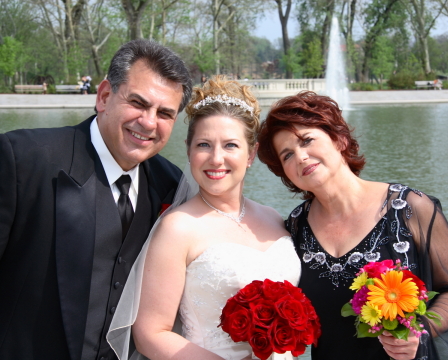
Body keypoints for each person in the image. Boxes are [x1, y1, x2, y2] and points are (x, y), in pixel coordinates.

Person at [0, 39, 192, 360]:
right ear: (104, 96)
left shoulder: (170, 184)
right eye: (138, 103)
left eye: (165, 113)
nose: (148, 122)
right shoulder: (22, 159)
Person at [106, 75, 301, 360]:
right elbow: (150, 334)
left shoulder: (273, 219)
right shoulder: (178, 228)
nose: (216, 159)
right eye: (204, 145)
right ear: (188, 150)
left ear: (251, 154)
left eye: (231, 145)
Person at [257, 91, 448, 360]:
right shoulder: (295, 228)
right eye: (287, 155)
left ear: (340, 139)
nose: (300, 157)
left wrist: (420, 329)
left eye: (307, 140)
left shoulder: (409, 208)